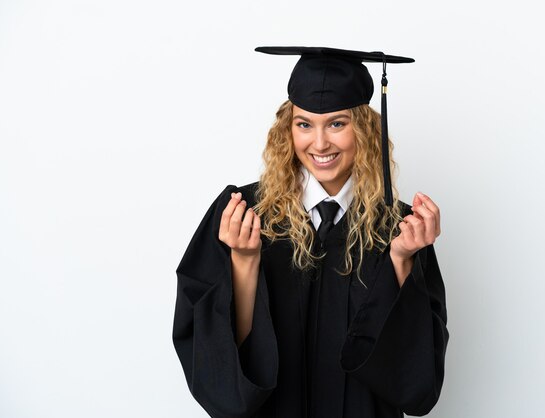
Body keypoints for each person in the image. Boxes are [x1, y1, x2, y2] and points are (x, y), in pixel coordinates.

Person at [172, 46, 449, 418]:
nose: (319, 143)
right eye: (304, 124)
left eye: (337, 123)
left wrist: (401, 262)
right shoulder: (244, 213)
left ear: (364, 130)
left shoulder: (398, 228)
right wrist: (244, 261)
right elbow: (219, 378)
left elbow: (415, 387)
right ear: (287, 130)